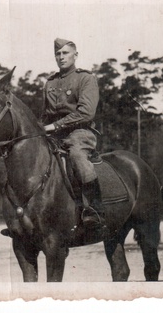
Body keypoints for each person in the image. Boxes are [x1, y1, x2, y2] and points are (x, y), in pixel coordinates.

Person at [40, 38, 104, 227]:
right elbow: (44, 115)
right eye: (58, 54)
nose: (61, 57)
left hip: (79, 133)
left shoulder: (85, 78)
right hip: (53, 135)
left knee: (76, 156)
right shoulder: (49, 83)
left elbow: (86, 113)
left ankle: (94, 209)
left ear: (75, 55)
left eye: (65, 53)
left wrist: (55, 126)